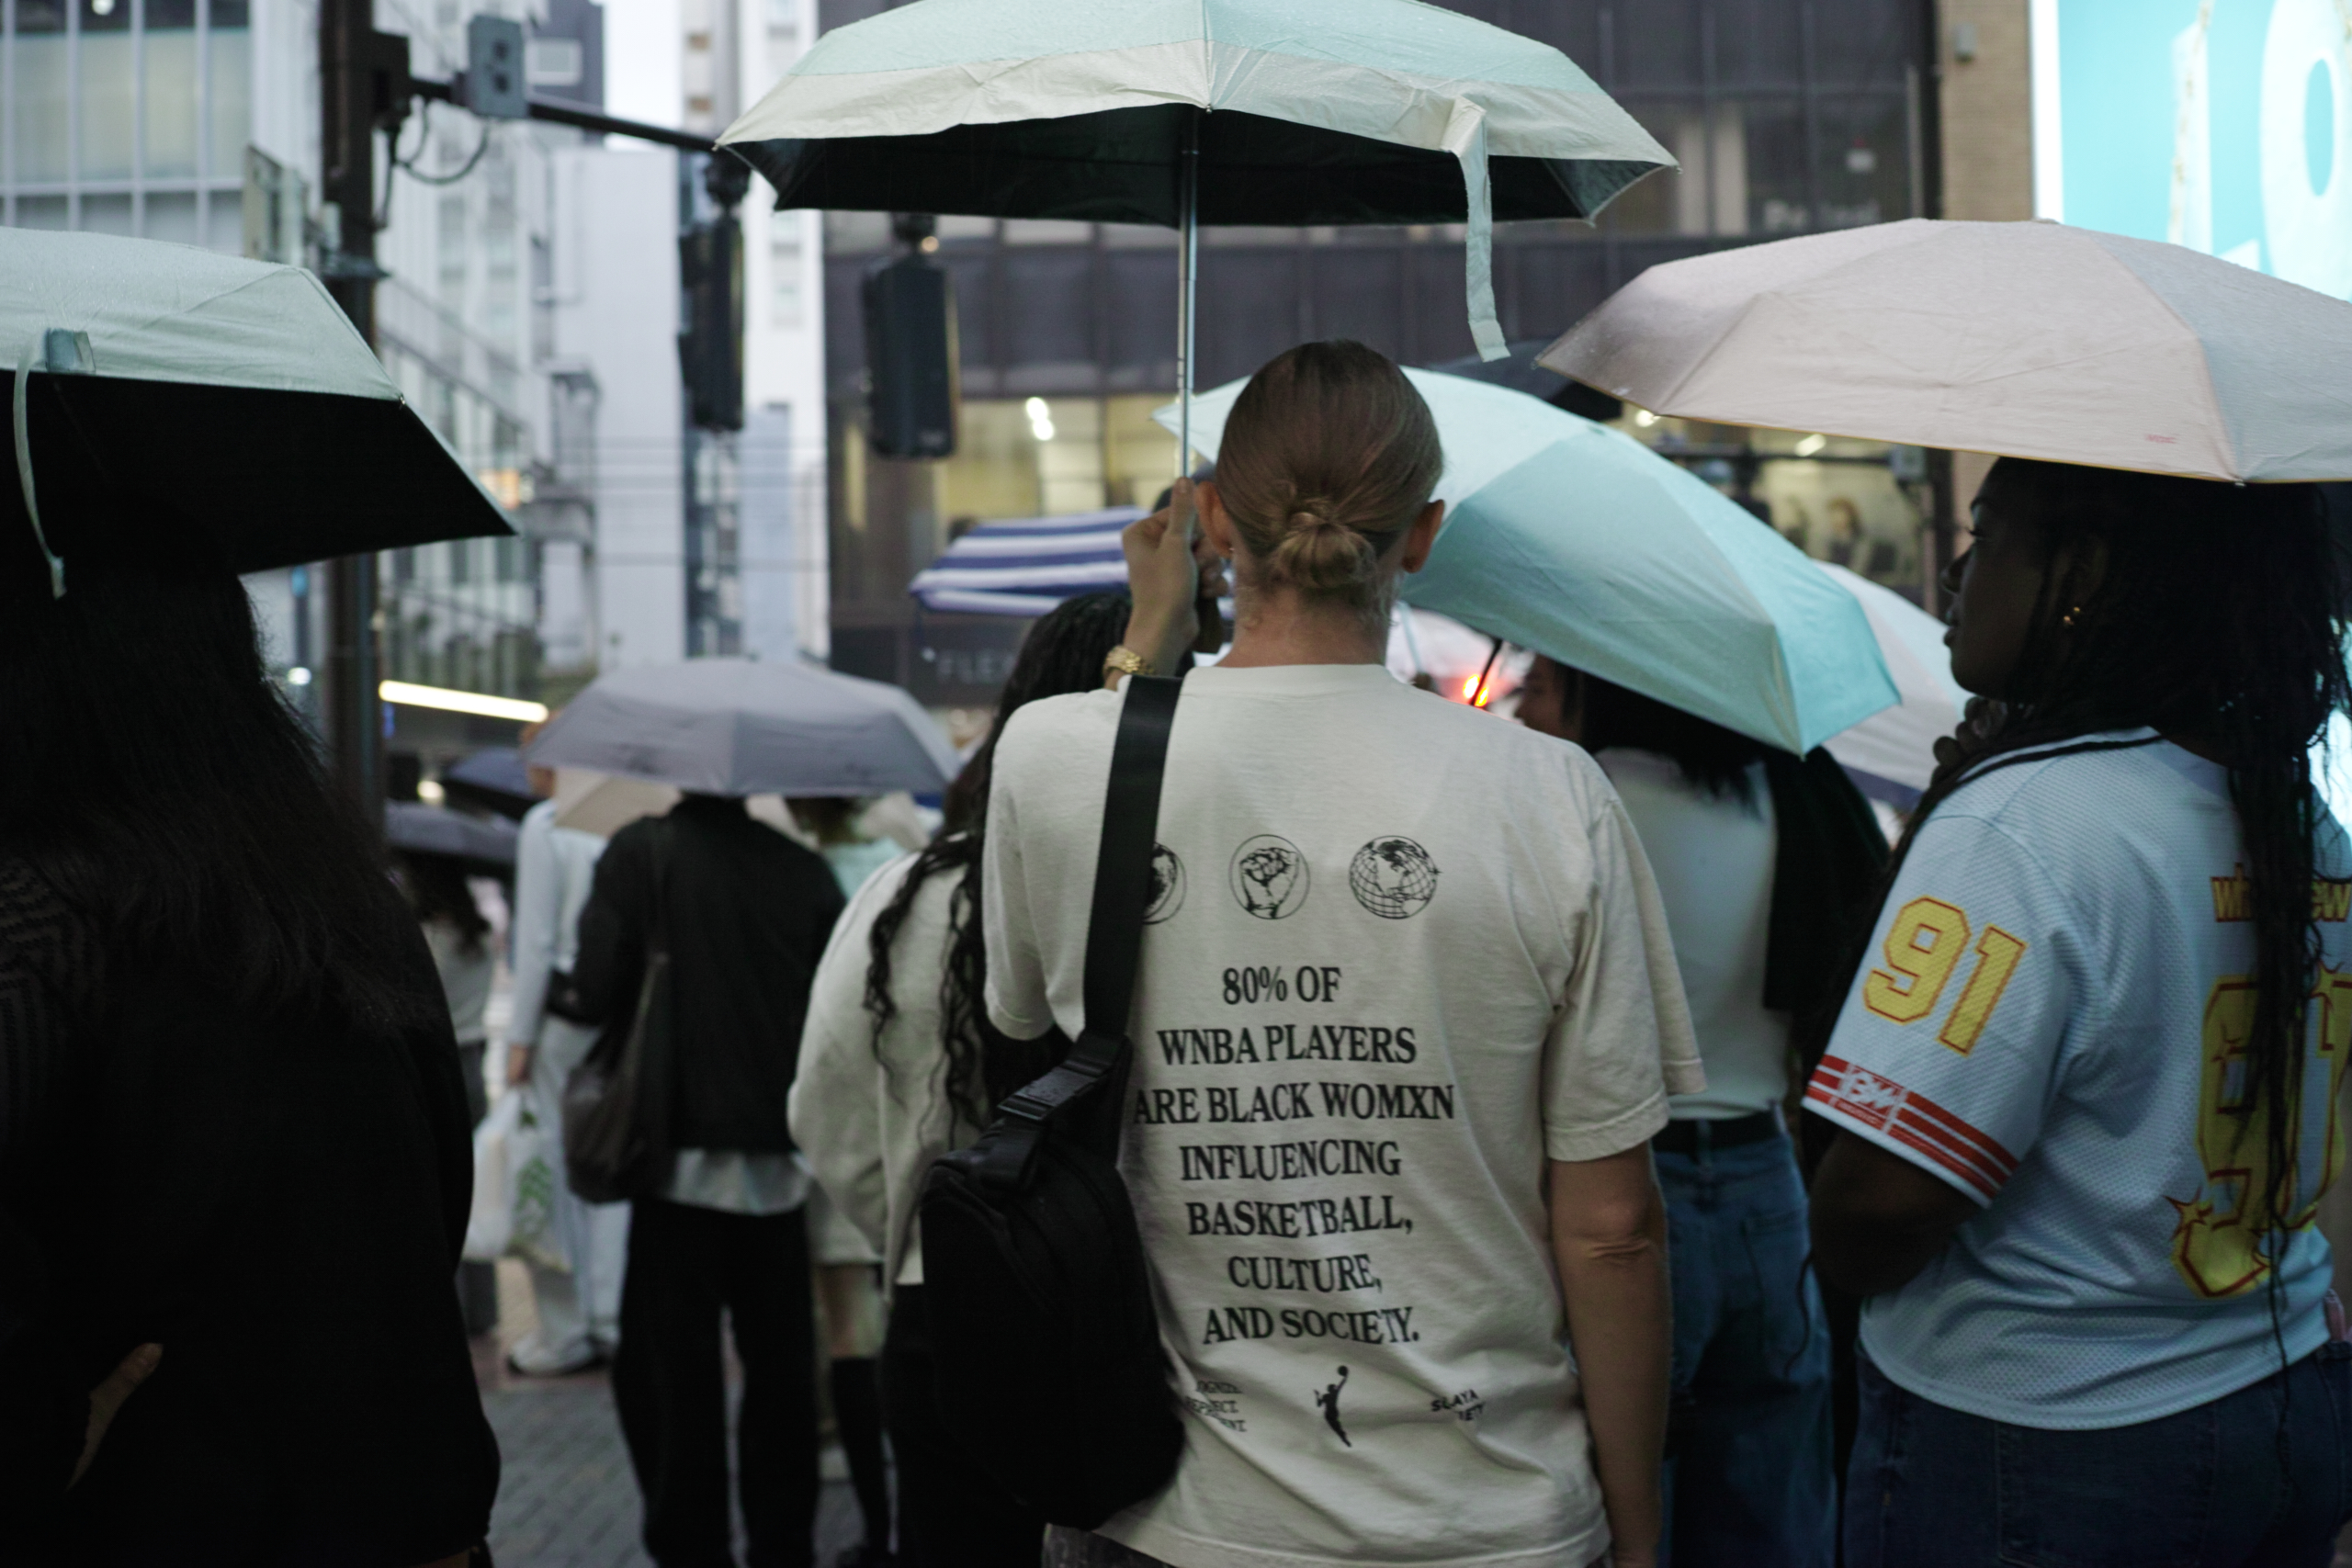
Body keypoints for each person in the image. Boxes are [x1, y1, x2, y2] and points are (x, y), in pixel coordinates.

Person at [988, 340, 1703, 1568]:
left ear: (1212, 516)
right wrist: (1637, 1531)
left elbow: (1022, 1014)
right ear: (1421, 534)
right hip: (1484, 1514)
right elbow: (1613, 1228)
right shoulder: (1550, 791)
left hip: (1171, 1513)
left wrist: (1146, 644)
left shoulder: (1054, 757)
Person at [1804, 458, 2352, 1565]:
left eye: (1987, 532)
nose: (1958, 571)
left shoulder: (2027, 822)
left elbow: (1878, 1203)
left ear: (2080, 576)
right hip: (2278, 1392)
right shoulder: (2296, 819)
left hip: (2043, 1445)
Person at [0, 496, 498, 1562]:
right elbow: (433, 1207)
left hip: (151, 1510)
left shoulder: (45, 918)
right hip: (406, 1502)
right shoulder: (349, 907)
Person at [791, 589, 1146, 1568]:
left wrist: (916, 1222)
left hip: (943, 1300)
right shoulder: (1163, 904)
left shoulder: (909, 894)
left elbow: (821, 1110)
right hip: (1131, 1318)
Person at [1517, 662, 1887, 1567]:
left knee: (1631, 1496)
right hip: (1771, 1192)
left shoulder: (1577, 801)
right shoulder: (1792, 791)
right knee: (1773, 1504)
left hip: (1622, 1187)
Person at [571, 790, 847, 1568]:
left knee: (670, 1373)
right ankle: (781, 1542)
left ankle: (692, 1545)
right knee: (782, 1368)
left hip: (675, 1152)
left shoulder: (640, 852)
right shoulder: (803, 870)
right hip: (778, 1156)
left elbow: (596, 987)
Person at [786, 795, 906, 1568]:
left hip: (833, 1122)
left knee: (844, 1327)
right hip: (904, 1114)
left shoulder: (800, 875)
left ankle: (875, 1521)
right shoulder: (899, 864)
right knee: (894, 1313)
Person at [503, 741, 629, 1376]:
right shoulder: (621, 821)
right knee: (608, 1158)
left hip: (558, 1017)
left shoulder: (547, 824)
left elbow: (535, 942)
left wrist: (517, 1040)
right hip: (614, 1016)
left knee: (549, 1163)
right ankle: (611, 1314)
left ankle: (563, 1328)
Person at [395, 842, 503, 1337]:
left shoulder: (427, 937)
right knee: (474, 1184)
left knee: (443, 1188)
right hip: (475, 1060)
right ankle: (484, 1310)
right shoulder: (477, 934)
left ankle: (453, 1311)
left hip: (439, 1062)